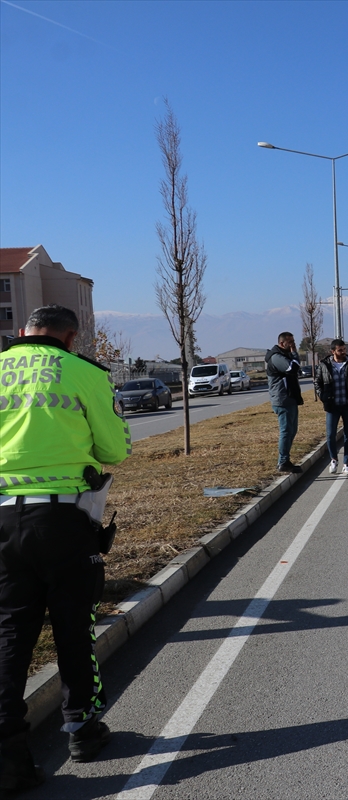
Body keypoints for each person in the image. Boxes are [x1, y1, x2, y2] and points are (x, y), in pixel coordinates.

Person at [0, 305, 132, 790]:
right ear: (70, 338)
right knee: (74, 626)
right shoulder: (83, 373)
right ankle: (82, 729)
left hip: (2, 520)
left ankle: (9, 758)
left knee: (10, 633)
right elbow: (116, 449)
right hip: (63, 520)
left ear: (22, 332)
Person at [315, 339, 348, 475]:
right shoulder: (324, 365)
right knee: (330, 435)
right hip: (332, 406)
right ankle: (333, 459)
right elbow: (317, 382)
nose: (343, 352)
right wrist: (323, 396)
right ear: (332, 351)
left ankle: (346, 463)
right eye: (340, 350)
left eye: (344, 349)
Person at [266, 332, 304, 473]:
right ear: (282, 343)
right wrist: (294, 353)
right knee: (286, 431)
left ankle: (285, 460)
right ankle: (283, 462)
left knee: (292, 430)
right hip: (282, 399)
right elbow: (293, 368)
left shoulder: (284, 355)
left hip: (290, 398)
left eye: (294, 341)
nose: (293, 344)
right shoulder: (276, 357)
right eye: (290, 342)